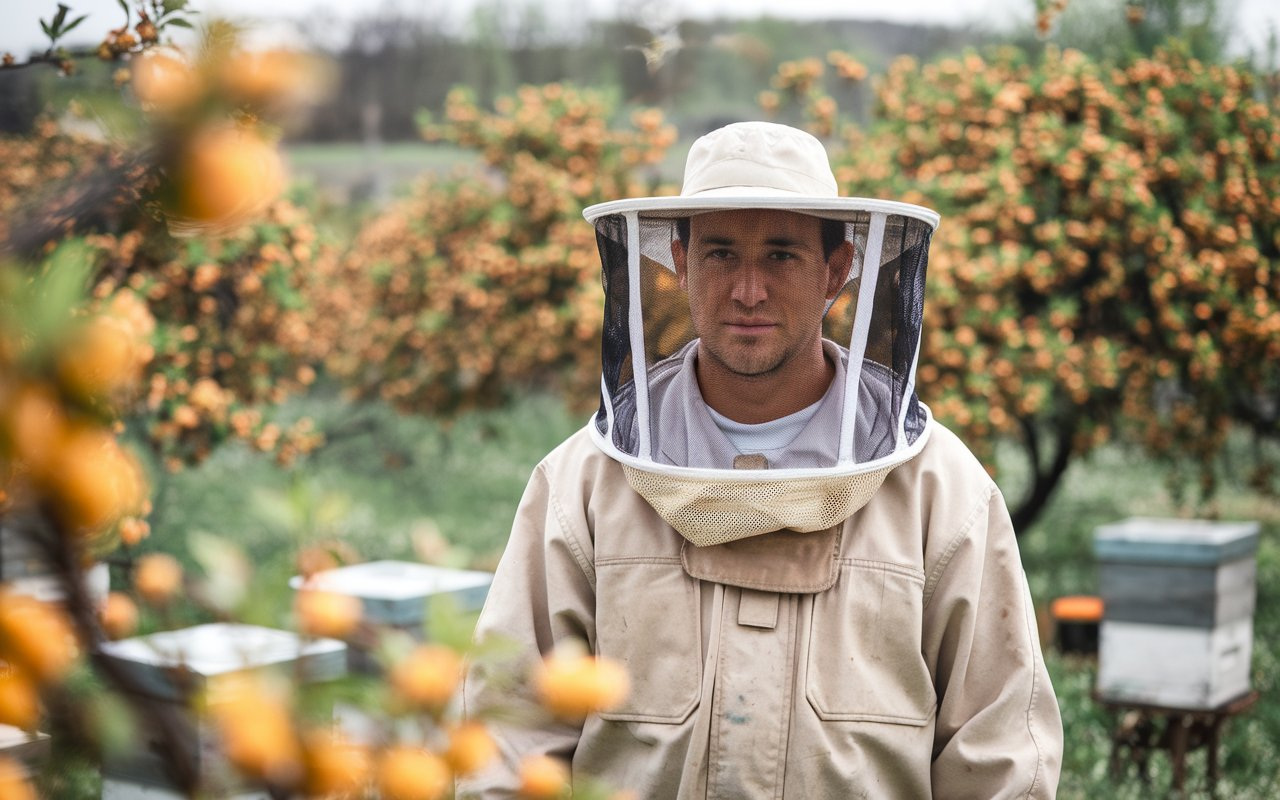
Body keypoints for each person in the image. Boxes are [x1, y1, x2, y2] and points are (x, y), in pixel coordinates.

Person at [459, 121, 1063, 799]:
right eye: (721, 255)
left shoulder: (942, 491)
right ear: (681, 265)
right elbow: (509, 737)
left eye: (781, 256)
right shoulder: (583, 485)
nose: (749, 291)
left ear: (837, 271)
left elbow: (1001, 753)